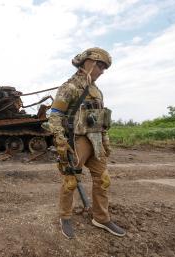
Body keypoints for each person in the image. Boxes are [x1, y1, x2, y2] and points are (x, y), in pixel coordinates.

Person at [42, 47, 126, 239]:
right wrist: (61, 142)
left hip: (96, 141)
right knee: (71, 181)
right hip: (76, 140)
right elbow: (54, 116)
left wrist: (105, 140)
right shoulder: (69, 87)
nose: (102, 71)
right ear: (88, 63)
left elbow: (101, 119)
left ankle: (101, 218)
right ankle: (65, 217)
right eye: (100, 65)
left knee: (103, 179)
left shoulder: (97, 91)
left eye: (104, 68)